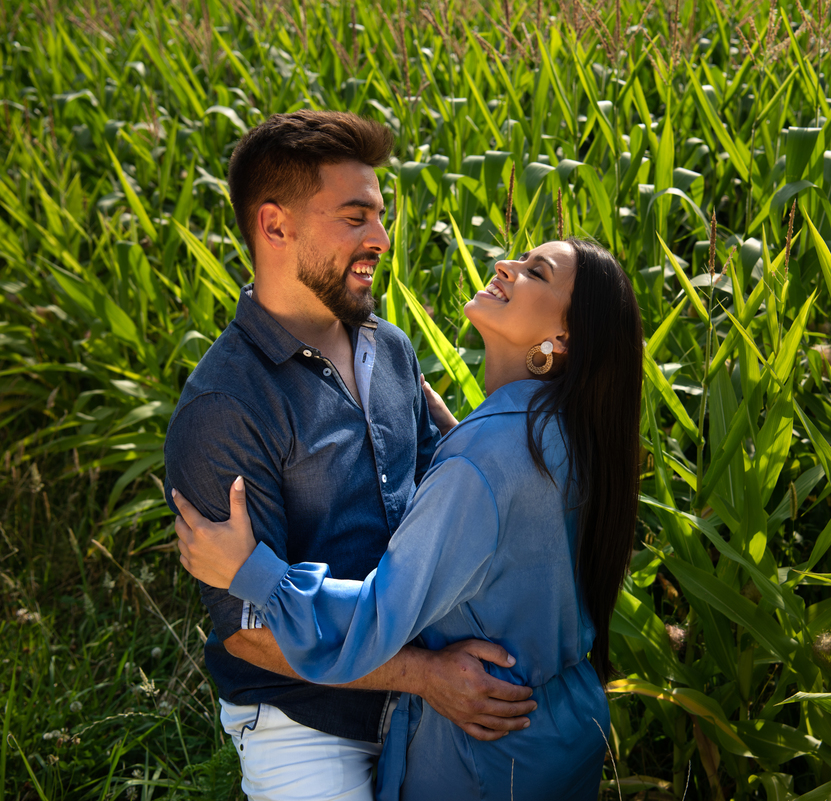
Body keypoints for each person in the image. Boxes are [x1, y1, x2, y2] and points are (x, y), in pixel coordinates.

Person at [173, 237, 644, 800]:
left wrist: (254, 574)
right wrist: (458, 447)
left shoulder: (485, 458)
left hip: (487, 750)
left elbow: (376, 619)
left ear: (563, 337)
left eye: (535, 272)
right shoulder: (572, 437)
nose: (505, 266)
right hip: (561, 727)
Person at [162, 110, 536, 801]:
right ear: (276, 226)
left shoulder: (388, 347)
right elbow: (250, 632)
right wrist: (426, 675)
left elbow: (440, 491)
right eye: (356, 217)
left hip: (429, 686)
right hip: (305, 719)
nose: (382, 238)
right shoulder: (225, 408)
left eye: (380, 216)